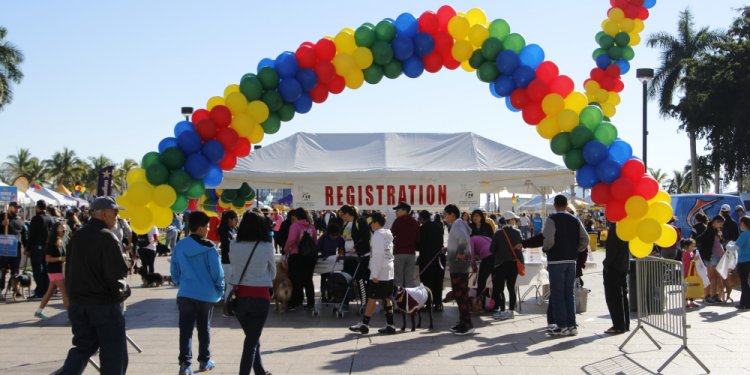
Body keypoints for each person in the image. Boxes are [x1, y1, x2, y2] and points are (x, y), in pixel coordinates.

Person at [61, 197, 130, 374]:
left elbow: (69, 270)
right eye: (115, 213)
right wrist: (122, 292)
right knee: (113, 352)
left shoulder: (78, 235)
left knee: (82, 347)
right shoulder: (107, 237)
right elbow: (117, 274)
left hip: (78, 303)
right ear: (104, 213)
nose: (117, 217)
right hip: (103, 304)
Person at [171, 211, 225, 375]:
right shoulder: (209, 248)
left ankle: (185, 365)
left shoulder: (180, 245)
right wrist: (220, 288)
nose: (209, 229)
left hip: (186, 293)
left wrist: (181, 283)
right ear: (200, 228)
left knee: (185, 330)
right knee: (204, 328)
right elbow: (217, 273)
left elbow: (174, 270)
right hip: (206, 295)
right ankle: (204, 360)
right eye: (207, 226)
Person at [229, 211, 276, 375]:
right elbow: (273, 273)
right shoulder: (266, 246)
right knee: (251, 341)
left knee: (252, 337)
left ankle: (260, 371)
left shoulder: (233, 245)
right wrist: (261, 277)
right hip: (260, 297)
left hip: (239, 297)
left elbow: (234, 266)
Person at [542, 194, 589, 337]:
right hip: (571, 260)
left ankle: (562, 325)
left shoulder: (552, 219)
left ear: (555, 205)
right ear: (566, 204)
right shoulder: (575, 220)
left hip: (556, 260)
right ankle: (572, 325)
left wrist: (546, 248)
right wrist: (576, 249)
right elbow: (585, 239)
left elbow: (548, 239)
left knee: (557, 293)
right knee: (569, 293)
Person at [349, 212, 397, 335]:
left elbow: (378, 256)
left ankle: (365, 324)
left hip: (379, 271)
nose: (370, 224)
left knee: (372, 298)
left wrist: (375, 274)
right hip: (389, 270)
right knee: (387, 297)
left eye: (371, 222)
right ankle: (390, 324)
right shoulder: (388, 234)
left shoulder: (377, 236)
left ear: (375, 223)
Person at [444, 204, 475, 335]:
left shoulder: (457, 224)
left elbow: (462, 239)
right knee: (460, 293)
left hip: (459, 264)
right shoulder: (460, 223)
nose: (444, 216)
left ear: (452, 214)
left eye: (445, 214)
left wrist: (460, 252)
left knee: (459, 294)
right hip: (460, 263)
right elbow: (461, 238)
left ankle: (467, 323)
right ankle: (463, 320)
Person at [490, 211, 524, 321]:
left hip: (500, 264)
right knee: (511, 287)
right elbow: (520, 247)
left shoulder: (498, 233)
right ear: (509, 220)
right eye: (514, 219)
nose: (515, 221)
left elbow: (492, 249)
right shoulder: (518, 232)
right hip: (513, 264)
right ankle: (511, 311)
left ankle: (502, 310)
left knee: (499, 288)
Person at [283, 208, 318, 310]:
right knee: (308, 279)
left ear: (296, 216)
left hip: (297, 255)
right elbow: (315, 241)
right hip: (310, 256)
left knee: (295, 279)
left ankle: (296, 302)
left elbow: (291, 239)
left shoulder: (295, 226)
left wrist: (286, 249)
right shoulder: (311, 227)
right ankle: (311, 302)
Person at [35, 221, 69, 320]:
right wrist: (60, 259)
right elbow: (47, 258)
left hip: (57, 270)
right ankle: (70, 316)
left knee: (50, 292)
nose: (64, 230)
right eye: (62, 228)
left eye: (65, 228)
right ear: (56, 230)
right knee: (65, 292)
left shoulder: (61, 240)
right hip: (55, 271)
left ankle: (39, 311)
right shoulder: (51, 243)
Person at [340, 205, 371, 311]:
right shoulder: (345, 224)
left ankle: (364, 303)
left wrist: (356, 248)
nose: (340, 216)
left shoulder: (360, 221)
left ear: (348, 214)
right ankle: (345, 302)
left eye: (342, 214)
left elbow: (366, 237)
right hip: (347, 257)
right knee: (345, 279)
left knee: (360, 280)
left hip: (360, 257)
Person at [602, 222, 630, 334]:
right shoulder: (625, 227)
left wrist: (606, 264)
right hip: (623, 265)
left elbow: (613, 250)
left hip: (614, 266)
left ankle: (618, 325)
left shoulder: (615, 228)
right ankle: (624, 324)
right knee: (622, 296)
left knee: (614, 297)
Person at [417, 210, 446, 311]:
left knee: (426, 282)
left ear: (422, 218)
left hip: (426, 259)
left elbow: (420, 245)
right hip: (439, 257)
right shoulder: (438, 225)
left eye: (419, 218)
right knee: (438, 281)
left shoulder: (423, 228)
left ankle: (428, 303)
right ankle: (438, 303)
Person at [28, 200, 56, 299]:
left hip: (38, 247)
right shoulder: (51, 219)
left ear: (37, 207)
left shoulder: (36, 219)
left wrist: (28, 248)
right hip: (49, 248)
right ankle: (46, 290)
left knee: (38, 269)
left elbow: (31, 235)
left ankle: (40, 291)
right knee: (46, 269)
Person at [696, 215, 725, 304]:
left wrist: (720, 237)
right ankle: (710, 296)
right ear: (715, 222)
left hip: (716, 256)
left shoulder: (715, 230)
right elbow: (699, 238)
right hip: (711, 256)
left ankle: (713, 295)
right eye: (720, 223)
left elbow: (718, 242)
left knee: (715, 277)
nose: (721, 225)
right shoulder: (709, 230)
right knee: (712, 277)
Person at [0, 202, 26, 299]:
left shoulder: (19, 220)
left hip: (15, 249)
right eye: (15, 208)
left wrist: (26, 246)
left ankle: (16, 289)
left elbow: (24, 234)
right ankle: (0, 290)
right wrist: (1, 224)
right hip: (3, 249)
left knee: (15, 271)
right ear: (9, 207)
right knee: (2, 271)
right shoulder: (2, 217)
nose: (17, 210)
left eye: (18, 208)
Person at [391, 202, 419, 288]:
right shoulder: (415, 222)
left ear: (404, 210)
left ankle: (398, 300)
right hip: (411, 253)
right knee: (409, 279)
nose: (396, 212)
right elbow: (418, 238)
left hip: (399, 253)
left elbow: (391, 234)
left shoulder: (398, 220)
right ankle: (408, 300)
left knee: (398, 279)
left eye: (398, 210)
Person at [316, 222, 345, 301]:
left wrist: (340, 254)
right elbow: (316, 249)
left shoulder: (339, 238)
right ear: (329, 233)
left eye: (336, 235)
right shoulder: (323, 238)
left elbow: (341, 248)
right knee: (323, 277)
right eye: (333, 235)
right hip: (324, 260)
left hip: (333, 260)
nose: (335, 237)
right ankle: (323, 294)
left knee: (332, 278)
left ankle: (330, 294)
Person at [218, 210, 239, 300]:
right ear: (229, 220)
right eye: (235, 219)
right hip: (227, 261)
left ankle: (229, 303)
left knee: (231, 285)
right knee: (229, 285)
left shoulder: (233, 229)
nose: (237, 221)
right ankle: (227, 306)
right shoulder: (224, 230)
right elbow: (226, 245)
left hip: (234, 260)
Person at [470, 234, 494, 312]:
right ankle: (493, 305)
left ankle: (479, 305)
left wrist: (473, 266)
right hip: (496, 257)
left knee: (481, 281)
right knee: (491, 282)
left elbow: (471, 254)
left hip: (487, 258)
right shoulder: (485, 237)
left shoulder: (471, 239)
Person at [734, 216, 750, 310]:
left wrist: (730, 245)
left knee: (744, 282)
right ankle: (743, 302)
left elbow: (736, 246)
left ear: (743, 224)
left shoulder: (744, 234)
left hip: (744, 260)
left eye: (740, 223)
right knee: (746, 282)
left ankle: (746, 303)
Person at [681, 238, 700, 309]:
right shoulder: (685, 254)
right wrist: (694, 260)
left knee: (692, 287)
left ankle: (692, 301)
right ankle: (686, 302)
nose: (693, 247)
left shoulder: (691, 253)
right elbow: (687, 264)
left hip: (692, 273)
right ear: (686, 246)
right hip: (686, 274)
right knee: (686, 288)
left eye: (694, 246)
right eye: (692, 246)